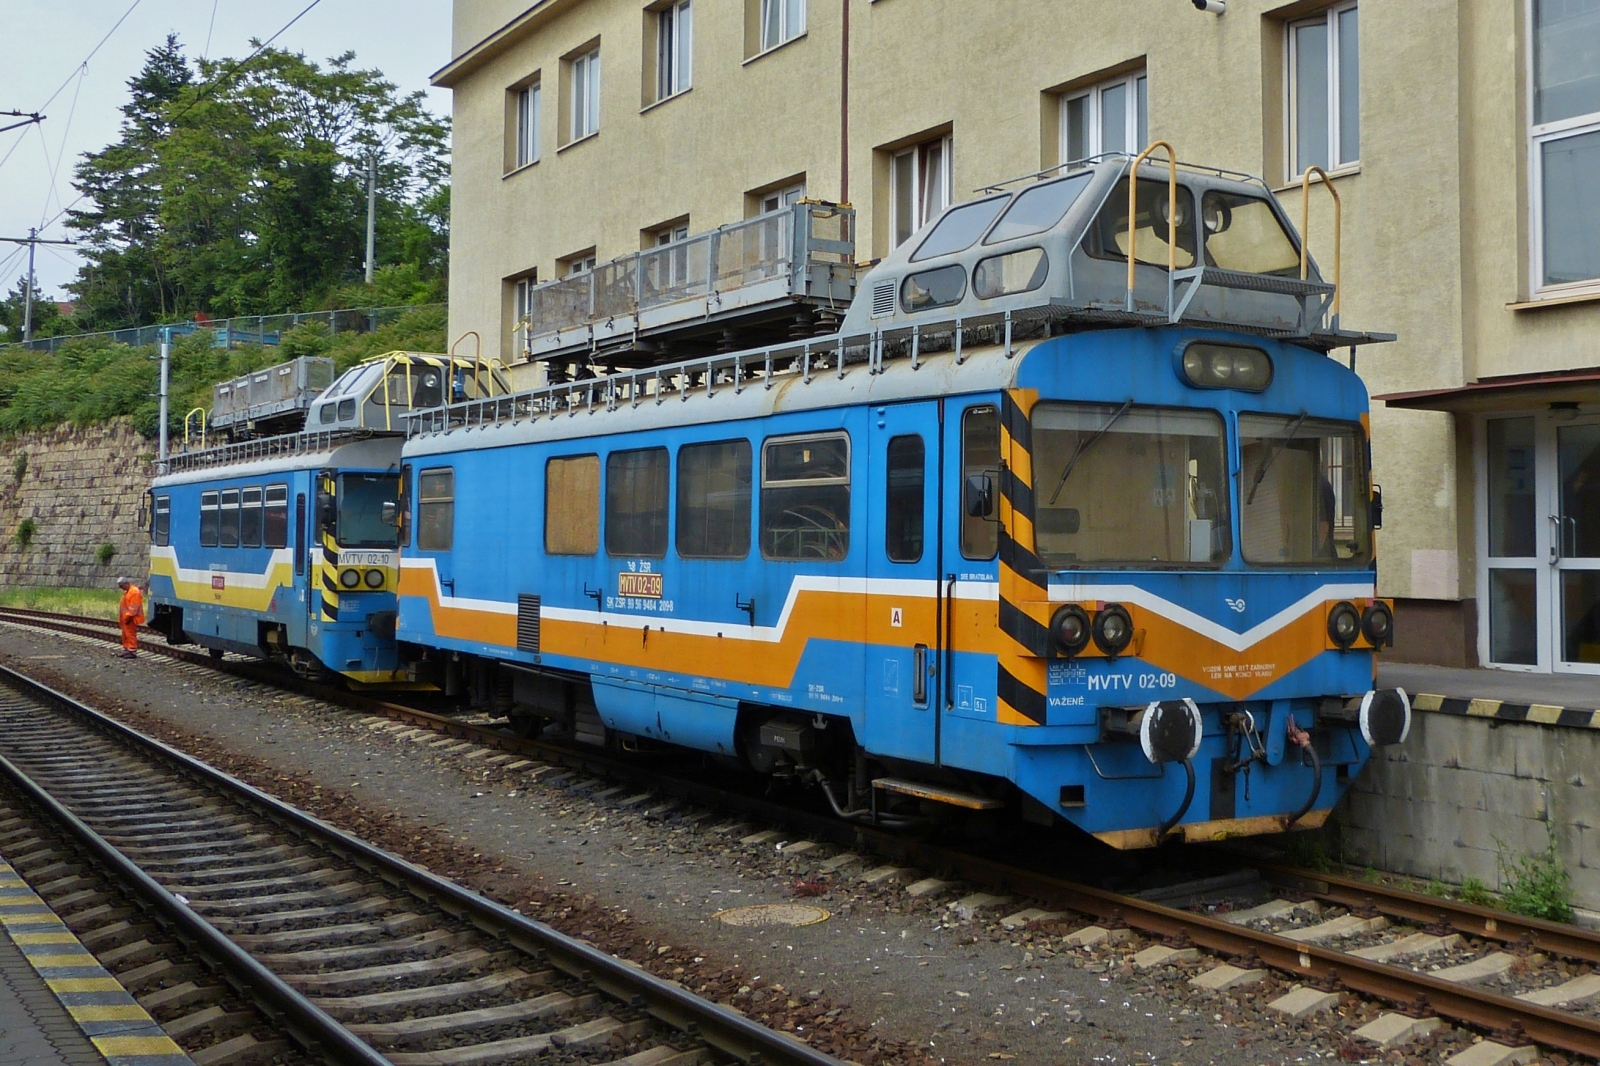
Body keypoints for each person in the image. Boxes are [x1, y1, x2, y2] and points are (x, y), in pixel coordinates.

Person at [115, 577, 143, 659]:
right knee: (126, 634)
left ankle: (132, 650)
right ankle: (127, 649)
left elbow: (134, 607)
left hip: (130, 618)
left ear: (126, 583)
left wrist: (128, 617)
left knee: (130, 634)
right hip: (126, 617)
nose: (121, 588)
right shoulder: (128, 591)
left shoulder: (134, 592)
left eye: (121, 586)